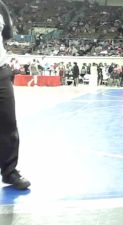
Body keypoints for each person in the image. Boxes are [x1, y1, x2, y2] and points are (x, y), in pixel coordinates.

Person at [0, 0, 30, 190]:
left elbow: (6, 35)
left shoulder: (0, 7)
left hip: (0, 73)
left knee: (9, 125)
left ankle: (9, 172)